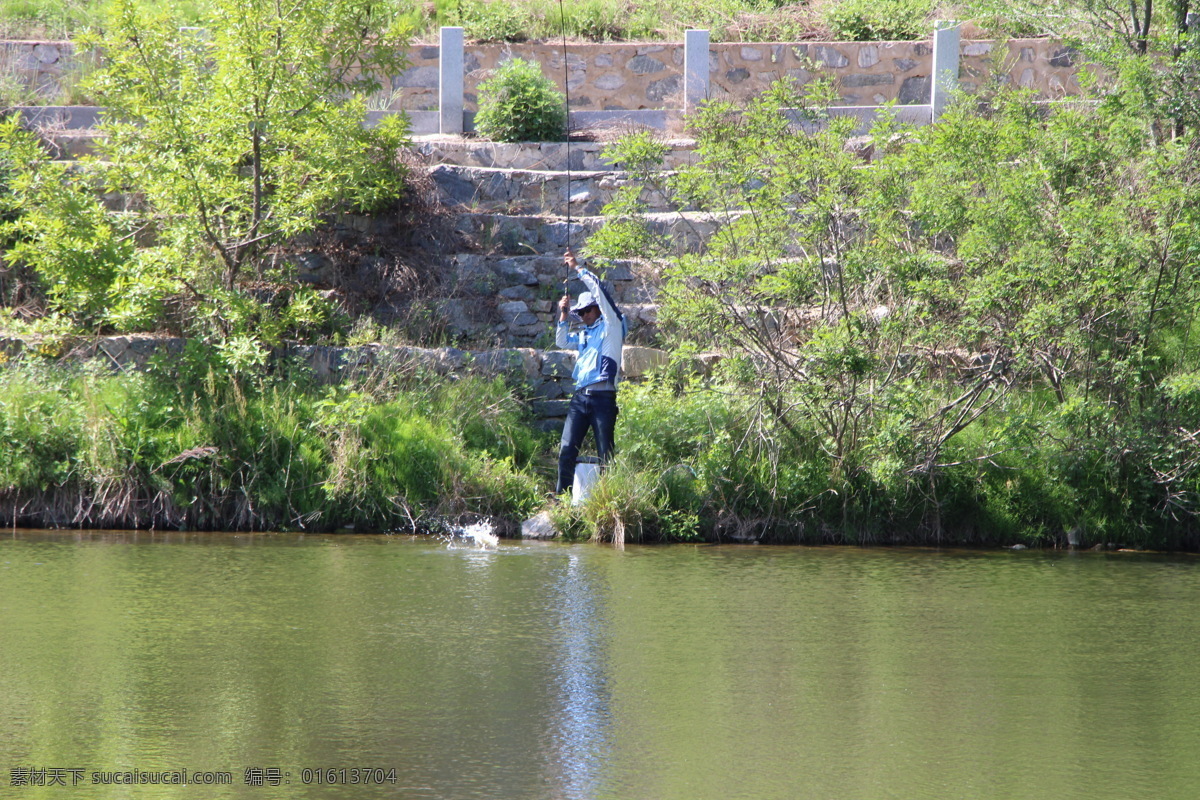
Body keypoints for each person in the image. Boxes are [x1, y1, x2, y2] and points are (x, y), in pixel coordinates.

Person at [555, 249, 626, 495]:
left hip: (603, 398)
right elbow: (562, 342)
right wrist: (564, 315)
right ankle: (561, 500)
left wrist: (577, 268)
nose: (583, 315)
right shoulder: (585, 334)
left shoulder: (612, 326)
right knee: (566, 449)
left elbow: (600, 292)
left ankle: (607, 498)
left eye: (587, 310)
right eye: (581, 312)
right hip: (580, 398)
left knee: (605, 451)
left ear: (598, 308)